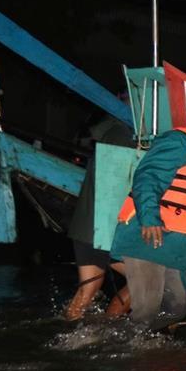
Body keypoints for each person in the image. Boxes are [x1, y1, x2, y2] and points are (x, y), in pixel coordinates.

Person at [110, 89, 186, 331]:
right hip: (151, 233)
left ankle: (123, 340)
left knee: (176, 308)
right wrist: (149, 218)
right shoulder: (181, 141)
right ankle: (114, 350)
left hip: (176, 243)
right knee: (147, 309)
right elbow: (147, 176)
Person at [65, 111, 135, 320]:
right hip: (106, 230)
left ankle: (67, 333)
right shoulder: (123, 134)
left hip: (87, 229)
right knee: (148, 281)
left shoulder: (111, 135)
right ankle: (109, 324)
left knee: (88, 292)